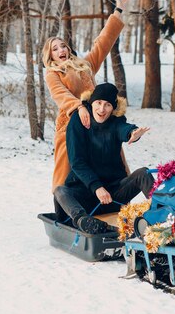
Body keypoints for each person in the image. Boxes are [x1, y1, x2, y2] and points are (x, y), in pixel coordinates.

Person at [42, 0, 129, 196]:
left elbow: (103, 42)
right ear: (50, 55)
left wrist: (118, 9)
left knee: (113, 164)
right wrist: (79, 107)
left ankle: (119, 206)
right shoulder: (53, 73)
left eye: (63, 46)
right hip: (72, 122)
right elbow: (60, 95)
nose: (61, 50)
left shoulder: (85, 65)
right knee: (67, 169)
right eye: (55, 49)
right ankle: (64, 208)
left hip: (99, 121)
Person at [54, 83, 153, 234]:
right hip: (85, 195)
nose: (102, 109)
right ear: (91, 102)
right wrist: (97, 187)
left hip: (112, 196)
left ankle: (163, 214)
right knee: (60, 191)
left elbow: (123, 128)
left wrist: (132, 133)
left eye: (107, 105)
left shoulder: (115, 121)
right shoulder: (78, 121)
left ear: (113, 108)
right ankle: (83, 221)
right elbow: (77, 161)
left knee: (143, 173)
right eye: (98, 103)